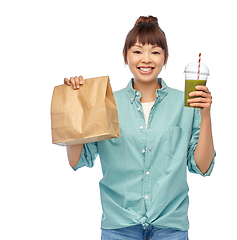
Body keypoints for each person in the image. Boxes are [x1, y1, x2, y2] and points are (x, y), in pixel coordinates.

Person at [64, 15, 215, 240]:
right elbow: (77, 160)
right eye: (137, 51)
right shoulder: (106, 103)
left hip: (170, 228)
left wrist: (205, 116)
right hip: (119, 227)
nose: (146, 59)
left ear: (166, 58)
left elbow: (202, 167)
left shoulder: (186, 104)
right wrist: (75, 102)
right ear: (125, 56)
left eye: (155, 52)